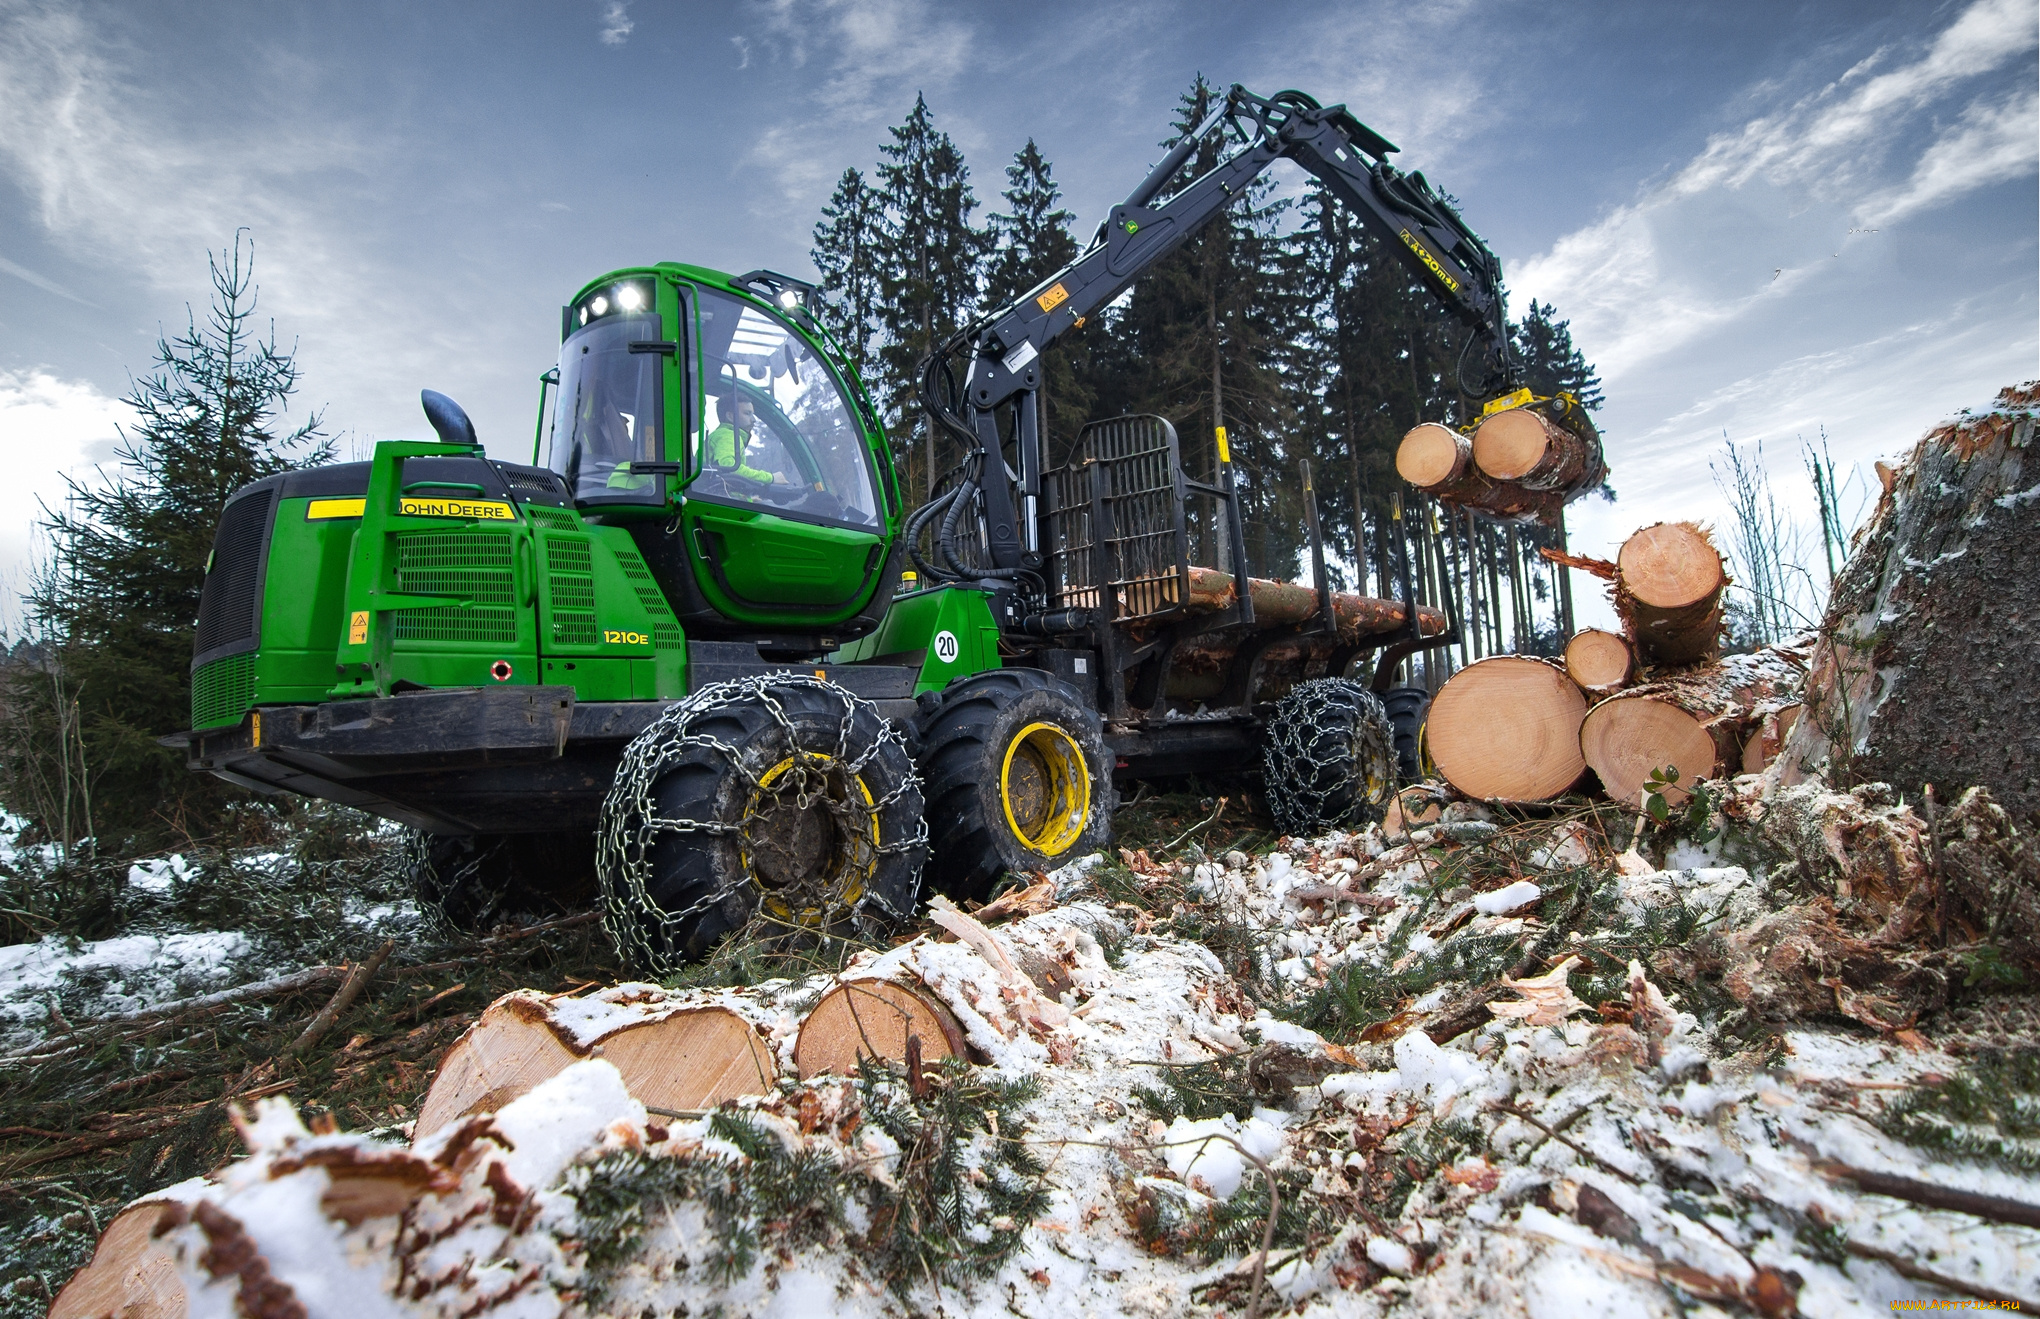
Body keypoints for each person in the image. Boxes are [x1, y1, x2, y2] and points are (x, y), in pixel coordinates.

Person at [705, 393, 782, 489]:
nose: (753, 420)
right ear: (730, 416)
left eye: (752, 414)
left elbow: (727, 482)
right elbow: (729, 469)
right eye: (747, 413)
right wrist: (771, 478)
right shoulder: (728, 436)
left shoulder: (722, 435)